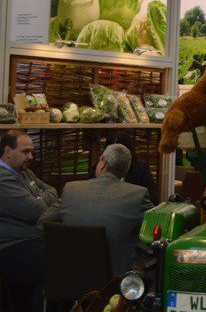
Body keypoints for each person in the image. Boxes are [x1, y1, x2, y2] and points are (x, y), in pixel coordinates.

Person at [38, 143, 153, 276]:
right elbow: (156, 232)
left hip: (68, 276)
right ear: (125, 170)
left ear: (103, 162)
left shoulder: (71, 189)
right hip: (115, 281)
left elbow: (42, 225)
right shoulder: (138, 194)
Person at [0, 129, 57, 312]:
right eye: (25, 152)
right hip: (11, 245)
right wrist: (40, 198)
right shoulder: (3, 179)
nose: (31, 156)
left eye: (31, 151)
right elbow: (37, 210)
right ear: (8, 151)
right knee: (56, 270)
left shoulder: (25, 172)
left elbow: (52, 190)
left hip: (31, 239)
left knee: (63, 258)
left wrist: (40, 198)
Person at [104, 131, 159, 205]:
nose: (116, 157)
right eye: (112, 153)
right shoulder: (100, 169)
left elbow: (153, 199)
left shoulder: (140, 169)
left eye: (120, 152)